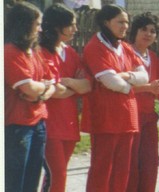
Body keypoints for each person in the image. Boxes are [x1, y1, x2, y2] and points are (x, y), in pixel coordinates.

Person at [82, 4, 150, 191]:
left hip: (128, 118)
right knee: (102, 170)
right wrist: (130, 83)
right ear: (106, 22)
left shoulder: (125, 47)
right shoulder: (95, 46)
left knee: (122, 171)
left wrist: (126, 76)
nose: (125, 26)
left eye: (127, 22)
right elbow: (110, 81)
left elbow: (144, 76)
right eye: (120, 22)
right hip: (105, 118)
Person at [36, 4, 91, 192]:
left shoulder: (71, 52)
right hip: (49, 123)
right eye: (71, 25)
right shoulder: (41, 52)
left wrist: (67, 82)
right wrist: (73, 86)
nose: (76, 29)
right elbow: (56, 91)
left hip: (69, 122)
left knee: (57, 175)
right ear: (57, 26)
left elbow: (86, 85)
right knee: (57, 174)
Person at [6, 2, 55, 191]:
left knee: (32, 179)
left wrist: (39, 93)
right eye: (37, 24)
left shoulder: (35, 51)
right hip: (18, 125)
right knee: (15, 180)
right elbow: (28, 88)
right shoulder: (10, 51)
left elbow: (51, 85)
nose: (41, 29)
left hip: (38, 123)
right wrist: (41, 90)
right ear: (24, 24)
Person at [126, 12, 159, 192]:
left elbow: (155, 87)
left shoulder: (154, 58)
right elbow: (117, 88)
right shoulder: (125, 52)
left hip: (149, 116)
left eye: (153, 31)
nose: (148, 34)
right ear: (134, 31)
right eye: (144, 29)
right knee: (131, 163)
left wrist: (157, 89)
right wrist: (149, 87)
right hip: (129, 116)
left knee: (150, 163)